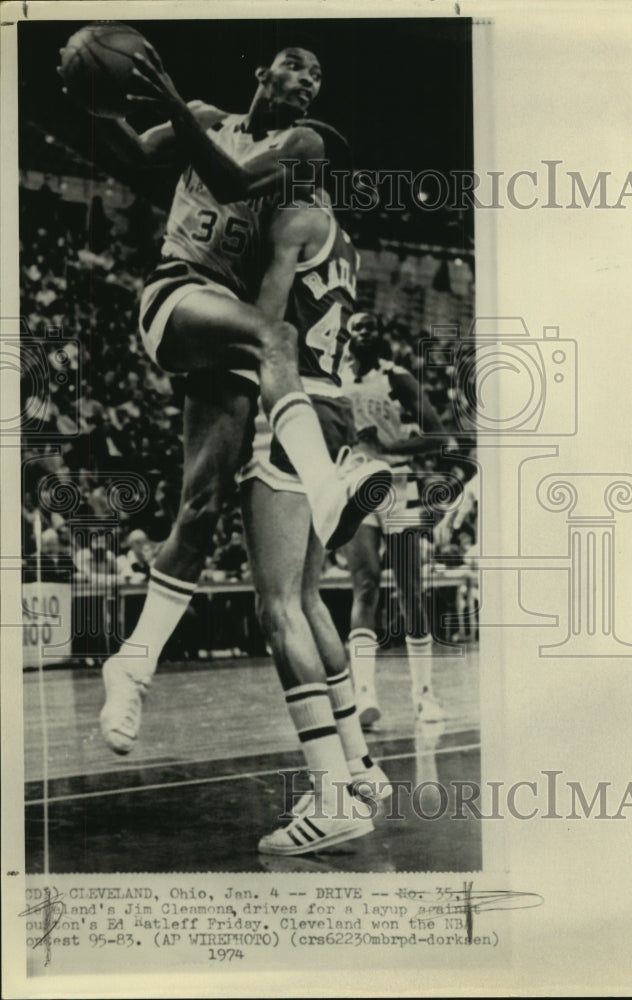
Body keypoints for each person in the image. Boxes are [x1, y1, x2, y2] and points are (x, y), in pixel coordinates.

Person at [62, 42, 391, 754]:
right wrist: (94, 97)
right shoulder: (209, 117)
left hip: (230, 330)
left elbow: (236, 180)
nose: (308, 79)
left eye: (318, 73)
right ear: (261, 75)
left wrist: (175, 102)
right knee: (278, 340)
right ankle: (326, 492)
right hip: (179, 291)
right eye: (297, 66)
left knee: (201, 510)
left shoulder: (299, 143)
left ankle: (133, 665)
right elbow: (131, 154)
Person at [237, 191, 391, 855]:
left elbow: (264, 327)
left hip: (288, 408)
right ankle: (359, 771)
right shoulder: (341, 236)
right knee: (306, 600)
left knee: (277, 609)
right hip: (329, 410)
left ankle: (330, 797)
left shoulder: (292, 219)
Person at [341, 313, 453, 727]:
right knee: (365, 583)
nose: (365, 332)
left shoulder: (396, 377)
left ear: (380, 335)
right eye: (358, 327)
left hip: (398, 486)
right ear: (348, 337)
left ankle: (424, 695)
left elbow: (438, 434)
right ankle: (364, 693)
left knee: (410, 589)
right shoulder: (336, 378)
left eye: (372, 326)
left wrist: (391, 443)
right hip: (355, 485)